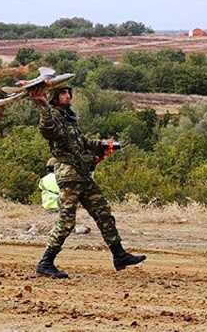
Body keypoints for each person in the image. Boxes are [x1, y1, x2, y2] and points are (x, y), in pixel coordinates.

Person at [29, 84, 146, 279]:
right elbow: (47, 131)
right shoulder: (54, 116)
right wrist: (42, 107)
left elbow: (82, 142)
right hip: (69, 176)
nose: (68, 96)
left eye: (68, 93)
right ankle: (45, 263)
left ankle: (119, 255)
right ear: (54, 97)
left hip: (82, 175)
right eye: (63, 93)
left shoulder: (69, 118)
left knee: (104, 214)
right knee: (67, 222)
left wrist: (102, 145)